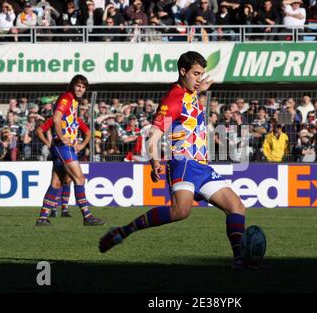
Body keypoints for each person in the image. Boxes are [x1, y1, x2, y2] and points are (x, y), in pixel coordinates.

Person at [98, 51, 251, 269]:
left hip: (202, 166)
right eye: (196, 74)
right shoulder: (172, 100)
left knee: (237, 207)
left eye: (202, 74)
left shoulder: (191, 92)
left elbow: (191, 101)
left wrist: (201, 88)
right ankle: (123, 231)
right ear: (182, 71)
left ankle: (240, 260)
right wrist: (154, 160)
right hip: (184, 163)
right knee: (181, 211)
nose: (199, 79)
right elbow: (155, 133)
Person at [36, 74, 105, 226]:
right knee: (79, 178)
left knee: (56, 183)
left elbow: (86, 132)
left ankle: (42, 218)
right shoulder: (67, 98)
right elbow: (55, 119)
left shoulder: (73, 102)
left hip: (64, 147)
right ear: (73, 86)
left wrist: (80, 144)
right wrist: (61, 138)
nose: (80, 89)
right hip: (63, 146)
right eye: (78, 86)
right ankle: (87, 217)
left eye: (83, 87)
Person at [36, 115, 91, 217]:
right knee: (77, 179)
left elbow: (88, 132)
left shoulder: (76, 119)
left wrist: (82, 145)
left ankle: (45, 216)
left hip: (70, 152)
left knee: (60, 182)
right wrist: (48, 143)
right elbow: (39, 130)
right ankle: (87, 216)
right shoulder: (56, 118)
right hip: (61, 150)